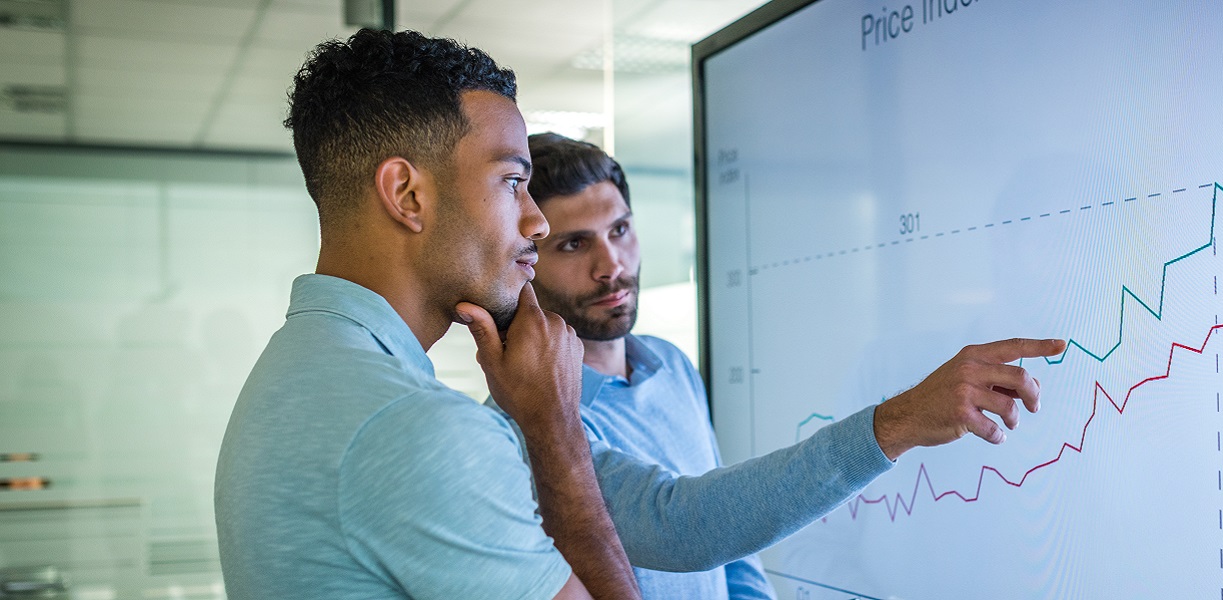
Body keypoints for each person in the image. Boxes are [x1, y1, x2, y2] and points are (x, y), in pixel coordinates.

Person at [485, 133, 1070, 592]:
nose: (610, 264)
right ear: (529, 257)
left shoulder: (669, 364)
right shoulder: (526, 411)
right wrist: (902, 421)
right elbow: (687, 525)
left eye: (620, 230)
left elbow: (732, 560)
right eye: (574, 244)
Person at [214, 30, 639, 600]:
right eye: (513, 182)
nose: (537, 222)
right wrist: (555, 429)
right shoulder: (415, 426)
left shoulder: (296, 369)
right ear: (407, 195)